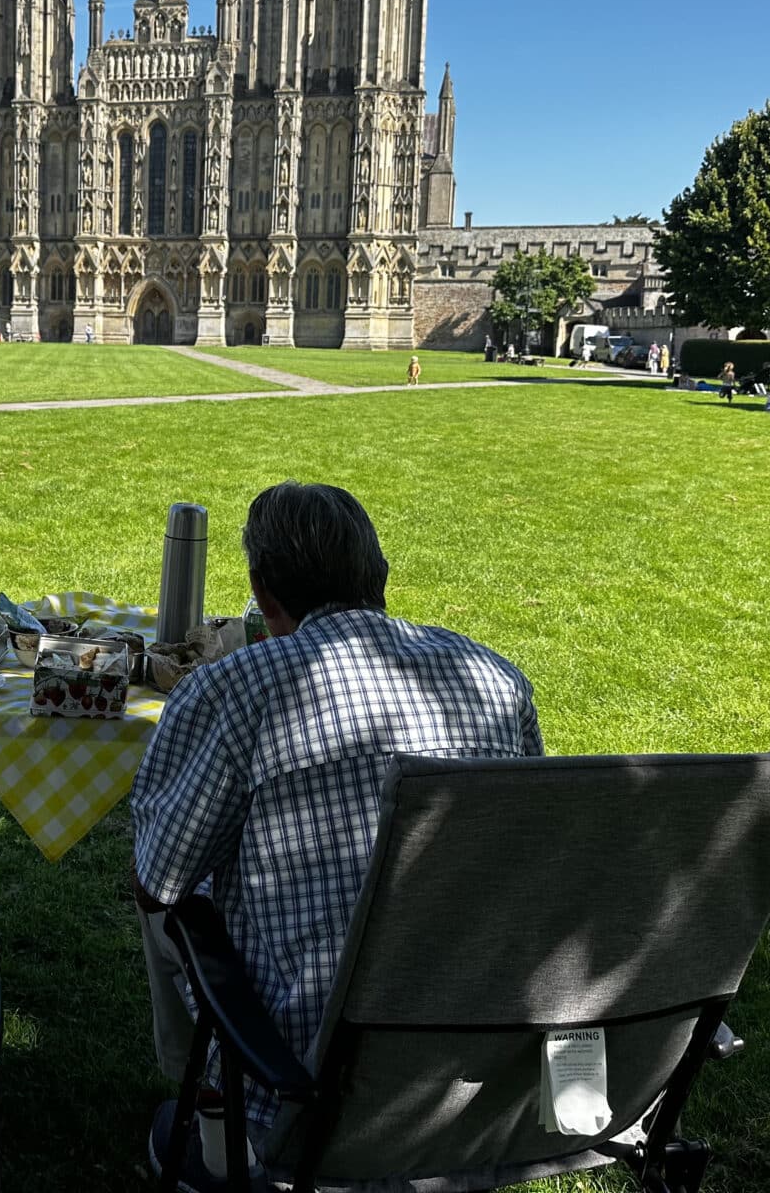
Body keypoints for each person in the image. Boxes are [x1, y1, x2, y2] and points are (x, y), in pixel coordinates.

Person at [130, 482, 542, 1184]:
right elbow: (527, 853)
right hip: (477, 1060)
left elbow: (157, 879)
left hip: (301, 1070)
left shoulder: (236, 687)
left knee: (172, 905)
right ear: (377, 574)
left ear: (263, 593)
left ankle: (218, 1132)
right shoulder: (496, 679)